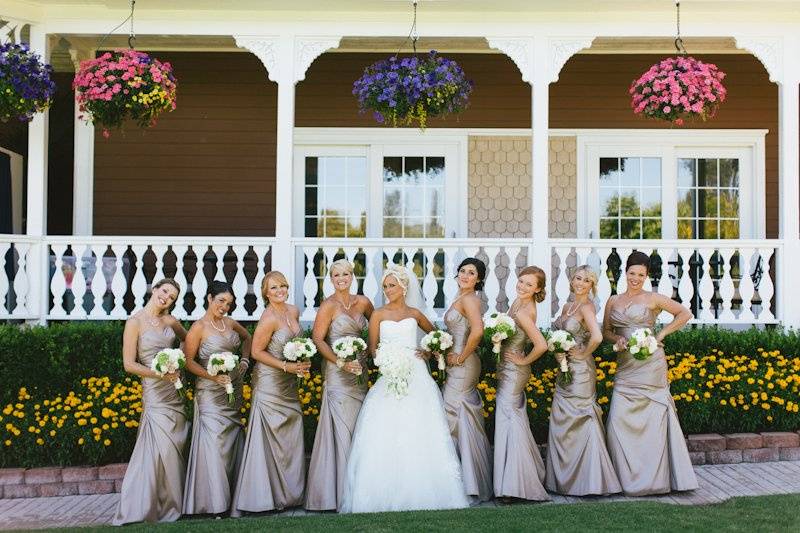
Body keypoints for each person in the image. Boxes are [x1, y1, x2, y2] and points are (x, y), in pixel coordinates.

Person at [339, 265, 469, 513]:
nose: (388, 290)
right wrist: (386, 360)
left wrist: (428, 351)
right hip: (389, 373)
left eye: (392, 286)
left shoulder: (415, 313)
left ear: (404, 287)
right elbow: (373, 349)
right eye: (385, 286)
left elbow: (439, 337)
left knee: (419, 426)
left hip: (416, 373)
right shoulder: (377, 314)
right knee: (386, 429)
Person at [603, 251, 698, 496]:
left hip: (650, 366)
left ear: (646, 276)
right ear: (625, 272)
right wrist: (618, 339)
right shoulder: (613, 300)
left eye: (641, 275)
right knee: (617, 420)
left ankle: (654, 480)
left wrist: (661, 335)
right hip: (626, 366)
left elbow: (685, 313)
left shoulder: (653, 298)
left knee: (652, 422)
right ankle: (624, 479)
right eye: (632, 273)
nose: (636, 278)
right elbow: (606, 331)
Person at [231, 271, 309, 515]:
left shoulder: (294, 310)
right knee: (269, 435)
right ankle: (264, 496)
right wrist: (287, 366)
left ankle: (290, 494)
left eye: (283, 286)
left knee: (290, 434)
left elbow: (297, 343)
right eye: (274, 288)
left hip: (289, 381)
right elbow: (256, 352)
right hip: (270, 382)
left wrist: (302, 361)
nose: (280, 291)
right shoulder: (268, 318)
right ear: (266, 292)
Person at [113, 279, 189, 525]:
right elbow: (129, 364)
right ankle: (142, 505)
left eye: (173, 296)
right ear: (154, 289)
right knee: (157, 449)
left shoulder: (171, 321)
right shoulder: (134, 322)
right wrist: (160, 373)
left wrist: (179, 361)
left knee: (174, 447)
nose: (167, 297)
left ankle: (170, 503)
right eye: (165, 291)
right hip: (155, 392)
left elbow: (188, 341)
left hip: (174, 391)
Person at [545, 266, 621, 496]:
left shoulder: (587, 306)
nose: (580, 283)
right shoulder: (568, 306)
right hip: (564, 369)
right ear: (571, 280)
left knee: (581, 418)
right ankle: (566, 480)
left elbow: (597, 336)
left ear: (592, 286)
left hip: (580, 372)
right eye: (578, 278)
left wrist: (582, 353)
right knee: (564, 421)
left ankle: (592, 481)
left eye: (586, 280)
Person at [306, 259, 373, 511]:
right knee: (340, 426)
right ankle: (336, 491)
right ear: (331, 279)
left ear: (352, 276)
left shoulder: (363, 302)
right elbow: (318, 340)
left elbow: (376, 327)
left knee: (359, 425)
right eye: (336, 275)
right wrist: (340, 362)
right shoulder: (328, 306)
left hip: (361, 371)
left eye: (346, 274)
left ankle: (360, 488)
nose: (341, 278)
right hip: (337, 372)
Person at [183, 281, 252, 515]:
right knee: (215, 444)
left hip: (233, 389)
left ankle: (233, 499)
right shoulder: (198, 328)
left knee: (232, 443)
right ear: (210, 298)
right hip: (210, 393)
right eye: (221, 301)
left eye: (229, 303)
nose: (225, 307)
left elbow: (247, 339)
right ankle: (214, 503)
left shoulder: (230, 323)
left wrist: (244, 360)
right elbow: (189, 362)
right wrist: (212, 377)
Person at [494, 266, 550, 501]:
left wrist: (522, 360)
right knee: (510, 418)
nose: (523, 286)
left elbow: (542, 345)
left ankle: (516, 485)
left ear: (537, 289)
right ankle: (514, 478)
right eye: (521, 281)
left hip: (515, 370)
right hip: (507, 368)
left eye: (529, 284)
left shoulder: (524, 312)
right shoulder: (518, 303)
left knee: (510, 419)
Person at [442, 258, 492, 503]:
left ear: (478, 279)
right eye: (462, 270)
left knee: (453, 413)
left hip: (463, 363)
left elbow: (478, 330)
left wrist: (461, 355)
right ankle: (465, 478)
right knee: (458, 414)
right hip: (457, 362)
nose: (465, 275)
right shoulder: (460, 298)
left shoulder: (471, 299)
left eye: (471, 273)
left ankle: (463, 482)